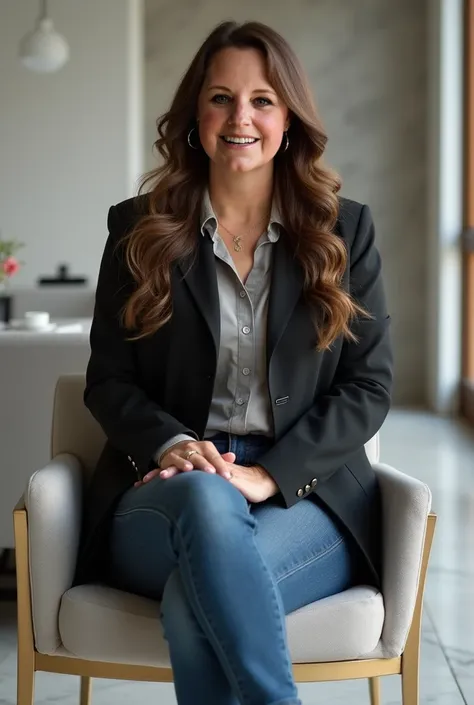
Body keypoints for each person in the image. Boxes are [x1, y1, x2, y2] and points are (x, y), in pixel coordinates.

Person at [76, 19, 393, 705]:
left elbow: (370, 386)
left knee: (197, 605)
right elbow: (108, 380)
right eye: (221, 97)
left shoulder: (346, 232)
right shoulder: (137, 230)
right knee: (203, 494)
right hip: (165, 488)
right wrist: (175, 442)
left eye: (262, 100)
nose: (239, 117)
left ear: (289, 119)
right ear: (196, 114)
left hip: (306, 496)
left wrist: (265, 474)